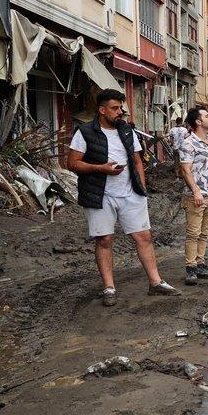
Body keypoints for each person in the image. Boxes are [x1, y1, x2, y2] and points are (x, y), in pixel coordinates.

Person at [66, 89, 180, 305]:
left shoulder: (127, 130)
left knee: (143, 236)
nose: (120, 112)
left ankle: (155, 282)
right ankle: (109, 288)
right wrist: (100, 168)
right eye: (115, 108)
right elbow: (72, 163)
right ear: (101, 110)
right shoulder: (85, 132)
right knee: (104, 239)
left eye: (121, 108)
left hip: (131, 193)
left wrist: (142, 188)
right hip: (99, 194)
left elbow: (137, 161)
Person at [178, 105, 208, 286]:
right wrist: (196, 191)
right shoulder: (188, 142)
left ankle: (201, 263)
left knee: (204, 233)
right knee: (193, 234)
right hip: (195, 196)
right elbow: (185, 170)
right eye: (207, 116)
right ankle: (191, 268)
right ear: (198, 121)